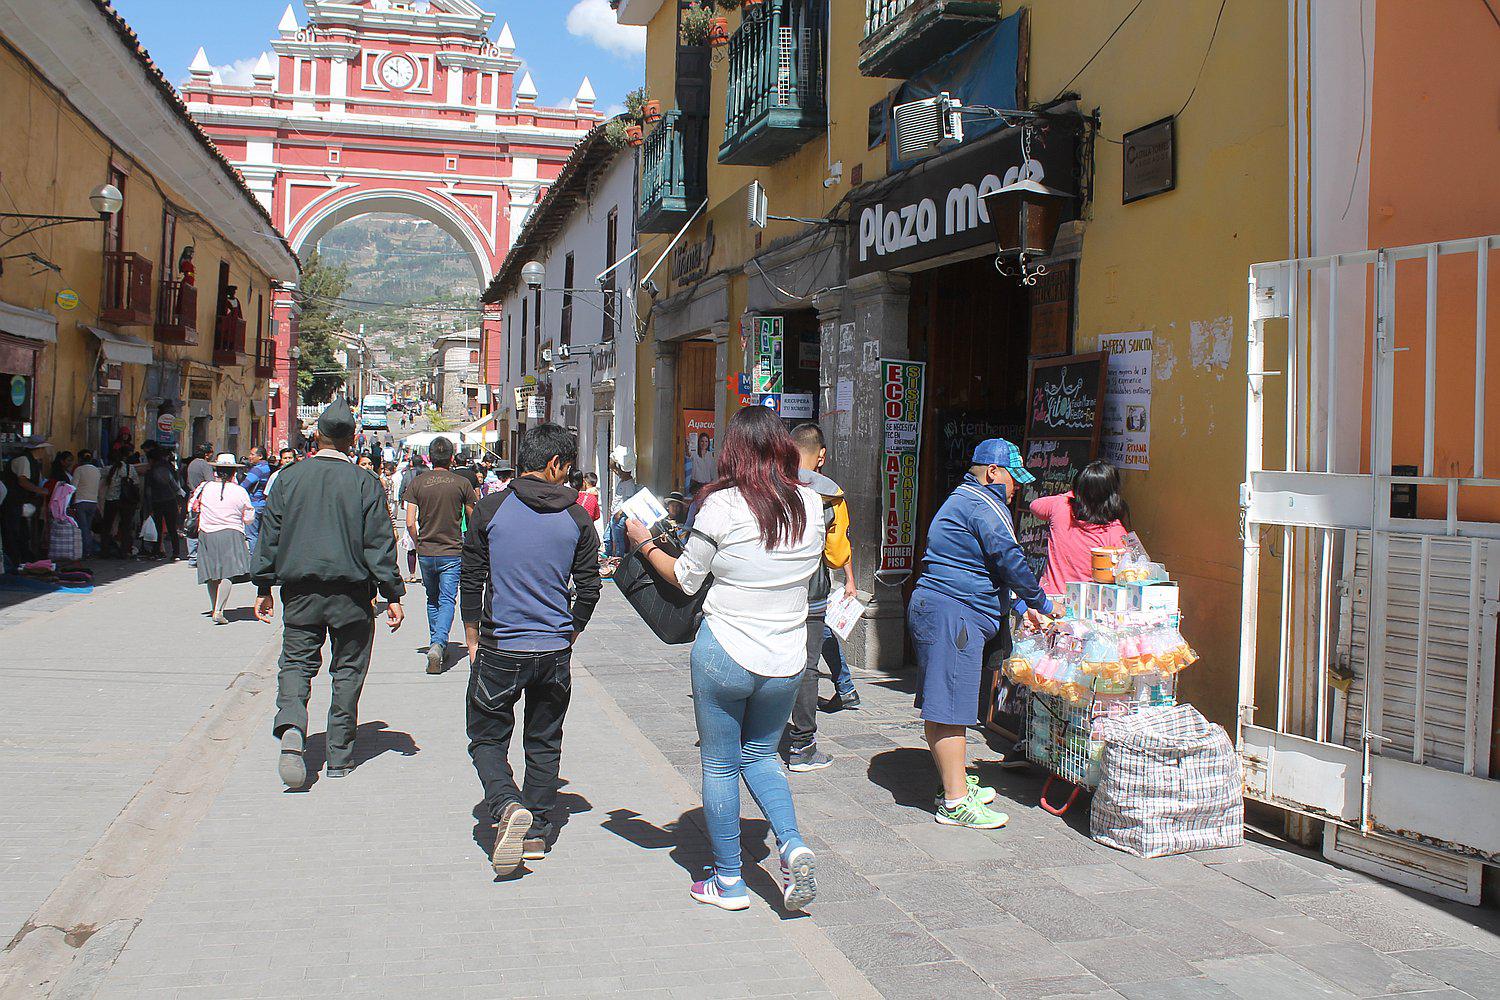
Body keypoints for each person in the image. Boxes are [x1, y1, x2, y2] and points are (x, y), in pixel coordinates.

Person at [625, 406, 822, 913]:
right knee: (761, 756)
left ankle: (729, 881)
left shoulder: (722, 505)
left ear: (732, 450)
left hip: (726, 649)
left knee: (719, 763)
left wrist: (644, 542)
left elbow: (687, 578)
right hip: (786, 655)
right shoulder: (811, 504)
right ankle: (792, 843)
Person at [460, 423, 601, 875]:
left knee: (486, 736)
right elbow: (590, 588)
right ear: (556, 465)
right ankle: (537, 831)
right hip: (554, 652)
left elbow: (472, 576)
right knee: (543, 742)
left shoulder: (490, 509)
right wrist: (571, 631)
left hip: (501, 646)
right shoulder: (578, 518)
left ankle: (504, 804)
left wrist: (471, 631)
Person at [252, 397, 405, 788]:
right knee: (348, 670)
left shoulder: (288, 478)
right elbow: (379, 543)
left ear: (316, 437)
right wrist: (392, 595)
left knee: (296, 663)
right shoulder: (364, 482)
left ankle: (291, 725)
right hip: (352, 596)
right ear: (353, 440)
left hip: (299, 592)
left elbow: (270, 535)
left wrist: (264, 586)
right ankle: (338, 756)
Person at [908, 438, 1053, 830]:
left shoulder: (966, 500)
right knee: (951, 711)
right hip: (954, 613)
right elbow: (1009, 560)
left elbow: (988, 567)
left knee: (943, 706)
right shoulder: (983, 505)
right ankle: (956, 803)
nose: (1015, 488)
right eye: (1012, 479)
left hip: (944, 610)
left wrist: (1020, 608)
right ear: (993, 472)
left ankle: (952, 785)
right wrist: (1040, 602)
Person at [783, 425, 858, 772]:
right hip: (811, 591)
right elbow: (837, 555)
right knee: (807, 666)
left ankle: (756, 735)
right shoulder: (830, 495)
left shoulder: (770, 485)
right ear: (822, 455)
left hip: (773, 589)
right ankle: (802, 745)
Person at [405, 435, 477, 675]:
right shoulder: (461, 483)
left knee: (432, 598)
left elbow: (409, 522)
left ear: (430, 456)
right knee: (447, 599)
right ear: (451, 456)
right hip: (452, 551)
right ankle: (439, 643)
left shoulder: (417, 483)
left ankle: (436, 640)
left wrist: (418, 542)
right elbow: (472, 517)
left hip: (426, 551)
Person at [1029, 460, 1129, 597]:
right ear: (1112, 495)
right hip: (1084, 603)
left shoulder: (1060, 506)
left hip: (1049, 598)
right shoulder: (1114, 531)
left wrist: (1071, 495)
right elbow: (1126, 573)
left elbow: (1034, 505)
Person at [191, 454, 255, 624]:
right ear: (234, 472)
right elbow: (249, 517)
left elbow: (192, 506)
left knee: (212, 572)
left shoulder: (204, 487)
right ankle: (219, 609)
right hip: (232, 533)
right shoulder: (240, 491)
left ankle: (214, 607)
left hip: (207, 533)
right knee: (228, 572)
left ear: (216, 471)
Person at [2, 437, 51, 570]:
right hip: (12, 501)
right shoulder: (23, 460)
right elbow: (22, 481)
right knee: (13, 532)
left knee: (23, 533)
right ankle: (14, 561)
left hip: (22, 502)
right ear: (38, 449)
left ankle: (23, 559)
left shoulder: (33, 462)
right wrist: (40, 491)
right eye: (43, 449)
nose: (44, 452)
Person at [143, 446, 185, 561]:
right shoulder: (170, 467)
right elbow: (176, 484)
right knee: (172, 528)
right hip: (170, 500)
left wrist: (149, 506)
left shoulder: (151, 471)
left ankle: (157, 551)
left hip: (157, 502)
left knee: (158, 528)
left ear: (151, 459)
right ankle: (176, 553)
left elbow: (148, 491)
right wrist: (179, 498)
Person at [101, 446, 141, 559]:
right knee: (126, 527)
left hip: (111, 500)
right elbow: (136, 483)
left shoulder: (108, 469)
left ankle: (105, 551)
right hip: (126, 501)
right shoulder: (129, 468)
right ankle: (124, 551)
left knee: (107, 526)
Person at [184, 444, 214, 566]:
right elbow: (210, 482)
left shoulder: (192, 464)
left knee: (192, 525)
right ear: (207, 454)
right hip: (202, 499)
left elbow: (187, 481)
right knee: (202, 526)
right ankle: (200, 556)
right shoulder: (204, 465)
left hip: (192, 497)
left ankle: (192, 557)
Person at [71, 450, 102, 560]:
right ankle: (88, 550)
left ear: (80, 459)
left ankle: (86, 551)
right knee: (87, 527)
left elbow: (73, 487)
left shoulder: (79, 470)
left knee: (83, 528)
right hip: (93, 502)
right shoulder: (97, 471)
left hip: (81, 501)